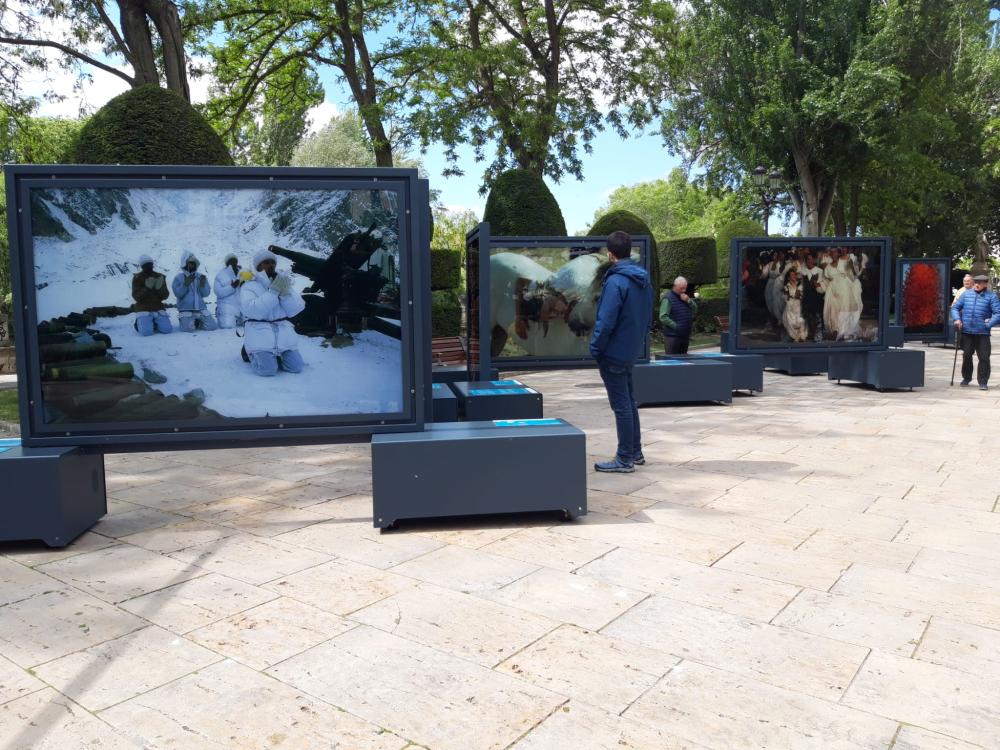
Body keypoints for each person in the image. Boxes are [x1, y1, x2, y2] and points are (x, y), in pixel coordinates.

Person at [589, 230, 654, 473]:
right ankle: (635, 452)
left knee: (621, 405)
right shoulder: (642, 280)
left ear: (610, 254)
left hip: (614, 352)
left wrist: (596, 347)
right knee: (628, 401)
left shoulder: (616, 281)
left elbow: (605, 321)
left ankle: (624, 458)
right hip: (630, 350)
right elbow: (647, 317)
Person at [241, 249, 306, 376]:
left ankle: (274, 354)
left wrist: (285, 294)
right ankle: (249, 351)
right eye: (266, 262)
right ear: (259, 266)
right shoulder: (249, 285)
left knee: (297, 367)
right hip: (260, 333)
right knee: (267, 371)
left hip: (282, 333)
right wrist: (273, 292)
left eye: (273, 262)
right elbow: (251, 311)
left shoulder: (282, 282)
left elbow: (296, 309)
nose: (271, 265)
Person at [951, 274, 1000, 390]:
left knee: (984, 358)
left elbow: (998, 313)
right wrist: (957, 319)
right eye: (976, 282)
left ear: (985, 284)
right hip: (967, 331)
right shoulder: (966, 294)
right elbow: (955, 308)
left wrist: (988, 324)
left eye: (980, 283)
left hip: (982, 333)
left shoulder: (991, 296)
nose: (977, 285)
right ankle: (966, 378)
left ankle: (983, 381)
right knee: (967, 356)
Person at [171, 252, 218, 332]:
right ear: (184, 264)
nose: (192, 265)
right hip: (185, 309)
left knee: (212, 326)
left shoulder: (201, 277)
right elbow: (178, 294)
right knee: (188, 329)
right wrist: (185, 284)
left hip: (200, 308)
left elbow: (206, 294)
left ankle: (198, 322)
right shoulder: (179, 277)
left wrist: (202, 285)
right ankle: (183, 320)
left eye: (193, 263)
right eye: (190, 263)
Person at [131, 254, 172, 335]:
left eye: (150, 264)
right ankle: (139, 322)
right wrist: (146, 288)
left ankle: (153, 322)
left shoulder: (160, 277)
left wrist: (160, 289)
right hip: (143, 308)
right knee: (146, 332)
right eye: (146, 265)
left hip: (158, 307)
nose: (149, 267)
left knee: (167, 330)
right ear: (142, 266)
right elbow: (136, 297)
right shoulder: (137, 278)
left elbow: (165, 296)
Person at [659, 276, 697, 354]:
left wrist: (689, 300)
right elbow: (663, 317)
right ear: (675, 286)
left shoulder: (685, 297)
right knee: (672, 359)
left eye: (685, 288)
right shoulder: (667, 298)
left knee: (683, 359)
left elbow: (695, 309)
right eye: (681, 288)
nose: (684, 290)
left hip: (684, 335)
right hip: (672, 337)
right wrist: (676, 326)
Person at [214, 254, 245, 329]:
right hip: (227, 308)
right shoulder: (220, 275)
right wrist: (232, 287)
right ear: (227, 263)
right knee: (228, 327)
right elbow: (218, 292)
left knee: (250, 323)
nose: (233, 263)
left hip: (242, 308)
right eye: (231, 261)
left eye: (235, 261)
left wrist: (244, 285)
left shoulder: (242, 273)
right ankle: (219, 313)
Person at [799, 252, 825, 341]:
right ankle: (811, 333)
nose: (809, 261)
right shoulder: (803, 271)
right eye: (807, 260)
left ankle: (818, 335)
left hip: (816, 296)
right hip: (807, 296)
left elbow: (822, 284)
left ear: (814, 260)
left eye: (811, 259)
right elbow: (801, 284)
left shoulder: (819, 271)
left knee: (817, 316)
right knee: (809, 316)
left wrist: (818, 285)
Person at [782, 269, 809, 342]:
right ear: (788, 278)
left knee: (800, 320)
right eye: (792, 275)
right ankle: (795, 336)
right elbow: (786, 298)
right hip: (790, 307)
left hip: (799, 305)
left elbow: (801, 295)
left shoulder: (800, 285)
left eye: (795, 274)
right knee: (791, 322)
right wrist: (790, 296)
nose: (794, 276)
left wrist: (797, 295)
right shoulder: (786, 287)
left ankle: (801, 336)